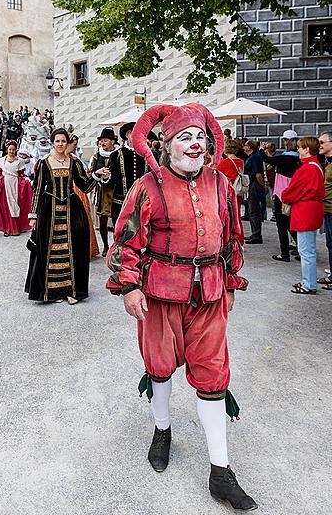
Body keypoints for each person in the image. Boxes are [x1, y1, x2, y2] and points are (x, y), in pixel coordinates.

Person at [106, 103, 257, 512]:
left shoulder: (221, 185)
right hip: (158, 296)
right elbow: (125, 243)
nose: (194, 144)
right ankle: (162, 429)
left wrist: (229, 283)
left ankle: (220, 472)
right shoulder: (147, 187)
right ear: (166, 145)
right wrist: (129, 288)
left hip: (209, 295)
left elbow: (232, 239)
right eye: (184, 138)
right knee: (158, 365)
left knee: (212, 374)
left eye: (200, 137)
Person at [25, 128, 109, 304]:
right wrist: (33, 215)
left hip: (72, 209)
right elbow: (38, 190)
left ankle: (72, 291)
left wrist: (97, 175)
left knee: (74, 249)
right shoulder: (44, 163)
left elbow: (84, 187)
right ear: (52, 143)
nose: (61, 144)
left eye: (63, 141)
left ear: (67, 143)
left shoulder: (74, 163)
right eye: (57, 141)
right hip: (49, 212)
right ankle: (54, 292)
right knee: (51, 250)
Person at [281, 137, 324, 294]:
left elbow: (291, 192)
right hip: (312, 210)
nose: (298, 150)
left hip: (305, 211)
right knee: (308, 250)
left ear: (307, 149)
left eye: (300, 147)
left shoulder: (307, 169)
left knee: (305, 251)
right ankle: (309, 282)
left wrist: (285, 195)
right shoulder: (316, 166)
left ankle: (309, 284)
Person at [259, 134, 301, 262]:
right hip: (292, 195)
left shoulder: (285, 158)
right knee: (290, 224)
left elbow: (267, 159)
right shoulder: (298, 160)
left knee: (282, 225)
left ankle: (284, 254)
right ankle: (301, 249)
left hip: (281, 196)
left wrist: (261, 149)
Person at [66, 134, 100, 260]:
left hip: (78, 189)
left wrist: (94, 175)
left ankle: (85, 249)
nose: (75, 147)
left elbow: (84, 179)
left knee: (83, 218)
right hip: (72, 189)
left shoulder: (74, 159)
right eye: (74, 144)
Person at [107, 122, 148, 226]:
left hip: (143, 203)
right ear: (127, 135)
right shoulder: (116, 155)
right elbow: (111, 181)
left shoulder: (148, 154)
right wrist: (106, 177)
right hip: (121, 203)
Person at [0, 140, 32, 236]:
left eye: (13, 149)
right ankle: (8, 228)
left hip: (16, 185)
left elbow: (22, 174)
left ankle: (17, 227)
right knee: (6, 206)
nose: (11, 151)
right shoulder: (1, 161)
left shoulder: (20, 161)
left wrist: (26, 180)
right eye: (10, 149)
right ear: (7, 149)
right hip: (5, 185)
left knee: (16, 205)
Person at [89, 127, 118, 256]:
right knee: (102, 221)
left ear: (112, 141)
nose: (102, 143)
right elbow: (91, 173)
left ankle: (117, 245)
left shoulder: (119, 155)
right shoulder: (96, 157)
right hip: (102, 192)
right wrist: (97, 174)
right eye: (101, 140)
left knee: (118, 221)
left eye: (105, 140)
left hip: (117, 191)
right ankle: (106, 246)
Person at [317, 131, 332, 289]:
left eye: (322, 142)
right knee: (330, 243)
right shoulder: (326, 162)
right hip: (327, 208)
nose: (319, 145)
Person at [243, 140, 265, 244]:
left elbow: (258, 174)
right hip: (252, 184)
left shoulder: (255, 157)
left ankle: (256, 234)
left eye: (246, 145)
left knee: (254, 209)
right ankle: (255, 233)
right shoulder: (252, 157)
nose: (244, 147)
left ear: (250, 147)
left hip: (254, 184)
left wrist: (262, 185)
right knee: (252, 209)